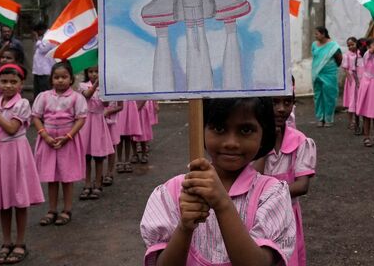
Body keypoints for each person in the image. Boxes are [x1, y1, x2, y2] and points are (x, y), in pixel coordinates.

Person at [140, 97, 296, 265]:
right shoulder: (172, 193)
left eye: (245, 130)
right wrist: (184, 227)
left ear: (263, 134)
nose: (231, 143)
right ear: (201, 129)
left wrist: (222, 204)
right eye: (219, 128)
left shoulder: (272, 194)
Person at [0, 64, 44, 264]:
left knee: (19, 200)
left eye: (13, 82)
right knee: (3, 202)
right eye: (4, 81)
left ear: (20, 84)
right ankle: (6, 242)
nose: (8, 85)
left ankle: (20, 242)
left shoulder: (22, 103)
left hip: (16, 153)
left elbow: (11, 128)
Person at [254, 94, 317, 266]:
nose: (281, 109)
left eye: (287, 102)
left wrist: (264, 196)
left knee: (287, 259)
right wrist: (266, 144)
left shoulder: (300, 141)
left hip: (287, 217)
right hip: (256, 218)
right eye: (274, 102)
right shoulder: (253, 140)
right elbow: (252, 179)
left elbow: (302, 186)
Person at [32, 62, 86, 227]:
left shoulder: (76, 98)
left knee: (66, 177)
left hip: (68, 141)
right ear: (51, 79)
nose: (60, 80)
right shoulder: (44, 96)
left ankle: (67, 210)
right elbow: (36, 117)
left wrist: (68, 136)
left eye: (64, 77)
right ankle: (52, 209)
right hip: (48, 140)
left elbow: (81, 119)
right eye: (56, 77)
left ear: (71, 79)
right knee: (52, 177)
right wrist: (45, 135)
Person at [78, 66, 114, 201]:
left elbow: (106, 104)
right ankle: (87, 183)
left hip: (98, 121)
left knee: (99, 156)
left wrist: (104, 89)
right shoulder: (82, 86)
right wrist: (96, 85)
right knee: (86, 156)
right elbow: (87, 95)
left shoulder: (104, 87)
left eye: (96, 72)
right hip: (86, 122)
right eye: (91, 72)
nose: (93, 74)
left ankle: (98, 183)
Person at [311, 26, 342, 127]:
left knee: (329, 96)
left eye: (317, 34)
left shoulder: (333, 46)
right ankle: (320, 118)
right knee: (318, 96)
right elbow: (315, 58)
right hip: (317, 74)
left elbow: (339, 59)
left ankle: (328, 119)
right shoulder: (314, 45)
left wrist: (329, 67)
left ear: (323, 34)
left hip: (329, 74)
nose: (315, 36)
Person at [355, 37, 374, 150]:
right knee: (367, 114)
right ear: (368, 47)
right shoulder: (367, 55)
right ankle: (366, 136)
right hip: (369, 86)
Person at [112, 101, 140, 173]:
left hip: (129, 106)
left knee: (127, 135)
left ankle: (127, 160)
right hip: (119, 105)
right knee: (119, 136)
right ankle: (119, 161)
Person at [31, 22, 55, 99]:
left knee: (44, 92)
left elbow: (43, 49)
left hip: (45, 70)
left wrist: (37, 39)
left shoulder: (49, 37)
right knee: (38, 92)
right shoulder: (43, 37)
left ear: (40, 30)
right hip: (39, 70)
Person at [341, 37, 360, 132]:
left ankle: (357, 122)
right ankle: (350, 121)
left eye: (352, 44)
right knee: (350, 101)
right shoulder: (346, 55)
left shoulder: (360, 54)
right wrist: (350, 80)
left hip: (359, 79)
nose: (350, 47)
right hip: (351, 81)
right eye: (348, 45)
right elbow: (345, 69)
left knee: (357, 101)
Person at [103, 101, 123, 185]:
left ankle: (109, 172)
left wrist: (108, 112)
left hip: (111, 121)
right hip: (98, 119)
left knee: (112, 145)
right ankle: (99, 174)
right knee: (99, 147)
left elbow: (121, 106)